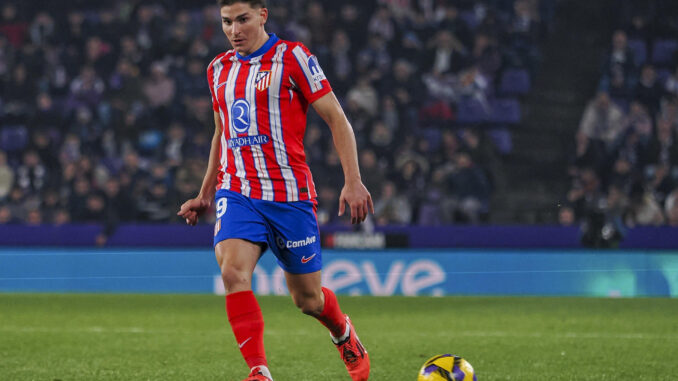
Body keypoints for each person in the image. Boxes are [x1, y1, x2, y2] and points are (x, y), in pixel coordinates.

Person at [176, 1, 373, 380]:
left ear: (263, 15)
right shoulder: (217, 69)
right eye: (226, 22)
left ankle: (343, 332)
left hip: (289, 197)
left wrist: (353, 180)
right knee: (233, 272)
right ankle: (259, 372)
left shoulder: (294, 57)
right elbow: (222, 133)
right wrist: (205, 193)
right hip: (238, 192)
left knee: (308, 300)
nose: (234, 30)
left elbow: (336, 118)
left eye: (243, 20)